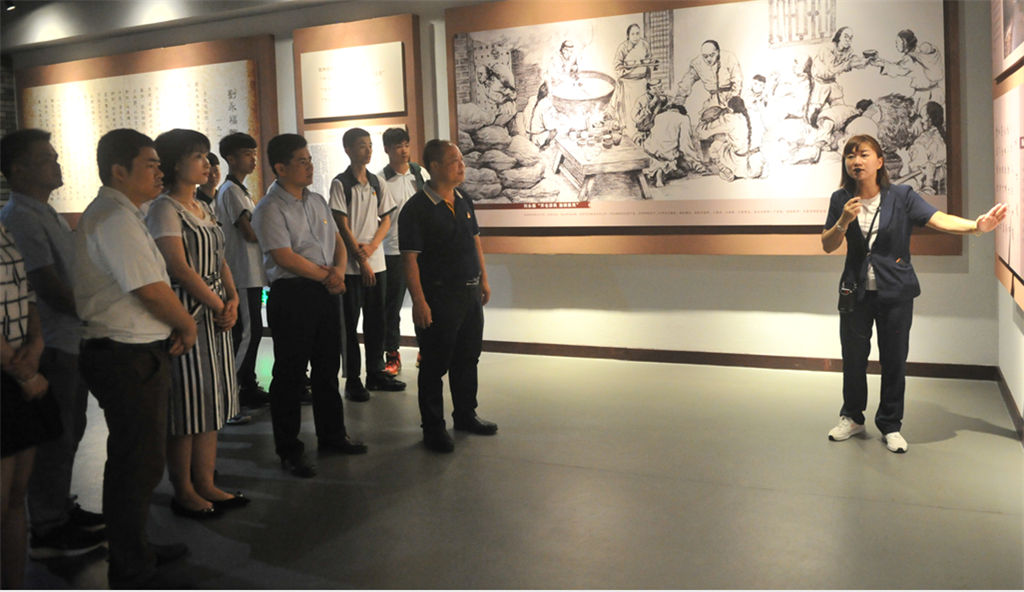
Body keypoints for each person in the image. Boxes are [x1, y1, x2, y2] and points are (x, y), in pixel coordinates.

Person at [821, 134, 1007, 453]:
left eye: (863, 154)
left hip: (895, 292)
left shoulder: (901, 196)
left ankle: (890, 424)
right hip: (855, 292)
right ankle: (851, 417)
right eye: (850, 156)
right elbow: (827, 244)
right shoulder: (841, 199)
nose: (856, 161)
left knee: (894, 359)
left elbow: (938, 219)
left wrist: (976, 226)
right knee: (853, 358)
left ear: (880, 161)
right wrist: (843, 221)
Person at [73, 128, 195, 587]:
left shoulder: (125, 213)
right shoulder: (114, 219)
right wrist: (186, 324)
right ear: (118, 171)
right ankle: (129, 563)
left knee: (138, 460)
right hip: (125, 354)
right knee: (135, 463)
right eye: (151, 164)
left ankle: (135, 547)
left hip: (132, 350)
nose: (160, 172)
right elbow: (150, 289)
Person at [0, 129, 106, 560]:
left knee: (70, 429)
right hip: (52, 342)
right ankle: (47, 523)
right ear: (18, 169)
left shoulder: (44, 212)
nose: (56, 164)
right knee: (56, 437)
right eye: (46, 158)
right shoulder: (21, 217)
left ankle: (59, 506)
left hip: (67, 336)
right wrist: (94, 312)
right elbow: (44, 284)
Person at [251, 133, 367, 478]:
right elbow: (283, 257)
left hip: (325, 289)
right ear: (280, 167)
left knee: (327, 367)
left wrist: (338, 272)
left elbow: (337, 240)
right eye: (301, 161)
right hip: (292, 294)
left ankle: (332, 435)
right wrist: (328, 276)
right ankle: (289, 450)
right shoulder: (269, 208)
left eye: (310, 160)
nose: (309, 166)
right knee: (290, 375)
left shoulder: (316, 201)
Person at [147, 129, 246, 518]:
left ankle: (206, 482)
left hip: (216, 312)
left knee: (212, 402)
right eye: (199, 157)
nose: (207, 164)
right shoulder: (164, 209)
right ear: (176, 164)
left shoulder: (203, 206)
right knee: (187, 407)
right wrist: (219, 303)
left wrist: (233, 298)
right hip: (188, 314)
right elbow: (178, 267)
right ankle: (184, 490)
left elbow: (220, 258)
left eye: (207, 156)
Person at [399, 139, 498, 453]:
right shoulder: (416, 209)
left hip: (469, 293)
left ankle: (466, 414)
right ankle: (433, 428)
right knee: (434, 364)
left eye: (461, 160)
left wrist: (483, 279)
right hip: (439, 297)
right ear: (435, 166)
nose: (462, 165)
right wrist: (419, 301)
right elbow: (410, 259)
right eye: (455, 160)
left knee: (468, 358)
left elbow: (475, 242)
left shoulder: (464, 199)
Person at [330, 128, 405, 401]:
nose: (368, 150)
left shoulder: (376, 182)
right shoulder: (341, 183)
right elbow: (341, 224)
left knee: (377, 321)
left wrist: (372, 248)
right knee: (350, 325)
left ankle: (375, 372)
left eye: (370, 145)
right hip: (351, 267)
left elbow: (386, 218)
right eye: (362, 146)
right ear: (348, 149)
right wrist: (361, 259)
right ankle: (353, 379)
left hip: (377, 262)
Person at [0, 221, 53, 589]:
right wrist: (24, 372)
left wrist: (35, 345)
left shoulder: (4, 230)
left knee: (16, 496)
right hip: (12, 372)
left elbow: (28, 295)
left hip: (20, 365)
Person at [215, 132, 270, 410]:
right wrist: (273, 233)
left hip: (251, 272)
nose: (253, 159)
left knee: (250, 332)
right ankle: (233, 387)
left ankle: (246, 383)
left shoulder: (241, 190)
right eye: (247, 154)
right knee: (249, 332)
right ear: (231, 158)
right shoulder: (231, 191)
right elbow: (248, 232)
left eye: (254, 153)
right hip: (243, 272)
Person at [379, 127, 429, 377]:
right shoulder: (380, 180)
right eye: (398, 146)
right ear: (387, 149)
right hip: (393, 251)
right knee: (392, 306)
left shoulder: (420, 174)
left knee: (425, 300)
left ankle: (426, 349)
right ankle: (392, 354)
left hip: (422, 251)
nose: (404, 150)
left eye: (406, 144)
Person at [875, 29, 943, 117]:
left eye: (898, 42)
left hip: (923, 97)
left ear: (905, 43)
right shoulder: (923, 53)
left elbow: (898, 69)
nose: (896, 45)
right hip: (938, 93)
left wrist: (882, 64)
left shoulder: (910, 58)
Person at [809, 26, 868, 126]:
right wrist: (848, 64)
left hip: (832, 82)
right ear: (839, 36)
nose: (848, 40)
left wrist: (865, 61)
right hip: (820, 83)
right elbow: (832, 69)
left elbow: (854, 60)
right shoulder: (827, 48)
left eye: (850, 38)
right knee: (813, 113)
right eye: (846, 36)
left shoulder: (848, 51)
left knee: (841, 110)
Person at [675, 40, 743, 119]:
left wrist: (734, 98)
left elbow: (737, 79)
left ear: (718, 52)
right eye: (705, 56)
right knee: (705, 120)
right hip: (713, 100)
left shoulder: (729, 58)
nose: (709, 59)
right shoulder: (697, 63)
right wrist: (678, 103)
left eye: (712, 55)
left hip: (731, 96)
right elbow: (686, 83)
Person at [641, 102, 703, 187]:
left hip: (650, 150)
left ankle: (657, 170)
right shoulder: (684, 118)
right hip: (667, 154)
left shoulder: (659, 116)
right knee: (683, 170)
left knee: (660, 154)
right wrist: (696, 160)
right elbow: (685, 144)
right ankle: (662, 171)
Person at [613, 23, 653, 139]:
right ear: (628, 35)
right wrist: (630, 67)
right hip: (628, 84)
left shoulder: (644, 45)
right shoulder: (623, 47)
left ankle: (642, 134)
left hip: (641, 82)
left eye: (637, 33)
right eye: (633, 34)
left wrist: (648, 78)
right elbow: (617, 66)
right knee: (630, 110)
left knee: (642, 109)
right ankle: (630, 134)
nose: (636, 36)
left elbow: (649, 60)